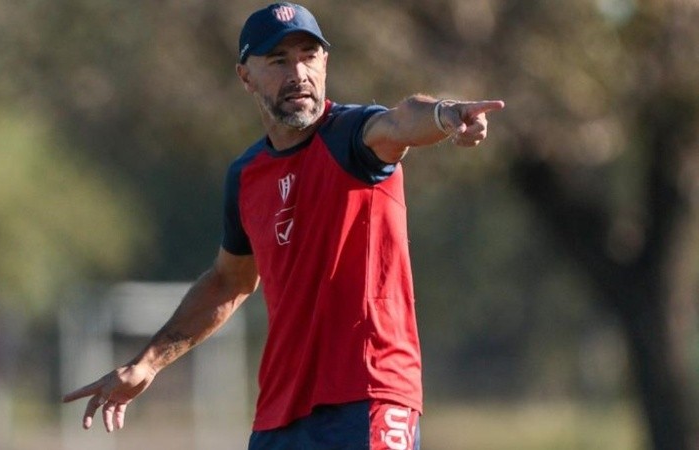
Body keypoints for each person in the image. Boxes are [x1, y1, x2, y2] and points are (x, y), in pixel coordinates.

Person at [63, 3, 505, 449]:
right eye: (278, 60)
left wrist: (446, 115)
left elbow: (400, 120)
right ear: (246, 76)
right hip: (281, 415)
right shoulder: (246, 175)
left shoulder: (353, 136)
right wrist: (148, 363)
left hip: (370, 393)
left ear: (325, 62)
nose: (298, 73)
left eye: (309, 56)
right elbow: (228, 282)